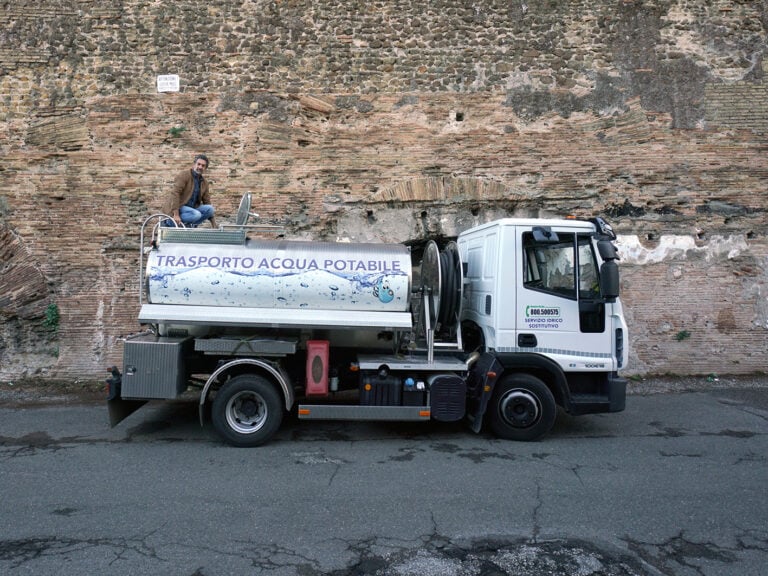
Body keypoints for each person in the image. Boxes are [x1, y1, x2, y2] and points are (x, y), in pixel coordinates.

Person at [163, 154, 217, 228]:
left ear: (205, 168)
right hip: (180, 207)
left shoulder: (204, 183)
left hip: (192, 210)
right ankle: (171, 221)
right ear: (194, 164)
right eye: (198, 164)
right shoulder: (184, 175)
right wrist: (176, 214)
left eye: (203, 166)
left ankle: (189, 224)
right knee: (196, 214)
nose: (200, 167)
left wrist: (213, 223)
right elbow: (175, 193)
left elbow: (207, 201)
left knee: (210, 209)